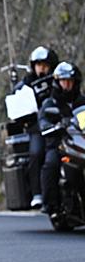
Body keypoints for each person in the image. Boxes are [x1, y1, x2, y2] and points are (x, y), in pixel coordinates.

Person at [12, 46, 59, 208]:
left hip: (59, 123)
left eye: (45, 65)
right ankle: (37, 193)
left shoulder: (58, 81)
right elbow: (16, 100)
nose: (42, 69)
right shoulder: (27, 83)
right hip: (36, 127)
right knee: (36, 152)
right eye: (38, 65)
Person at [38, 61, 84, 217]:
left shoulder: (82, 102)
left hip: (79, 141)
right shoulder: (50, 103)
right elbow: (43, 121)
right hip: (58, 144)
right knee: (51, 163)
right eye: (64, 81)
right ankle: (50, 203)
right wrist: (52, 126)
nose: (67, 85)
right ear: (57, 83)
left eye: (70, 81)